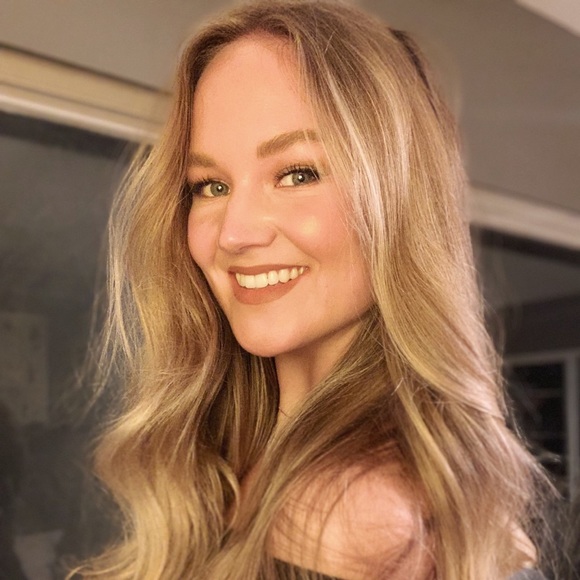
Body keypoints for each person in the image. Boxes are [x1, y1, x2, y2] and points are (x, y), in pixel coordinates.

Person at [73, 1, 552, 578]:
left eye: (297, 174)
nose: (235, 233)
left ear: (399, 199)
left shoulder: (354, 513)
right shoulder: (247, 457)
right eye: (210, 185)